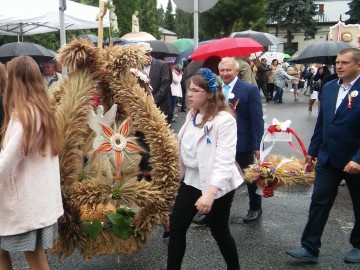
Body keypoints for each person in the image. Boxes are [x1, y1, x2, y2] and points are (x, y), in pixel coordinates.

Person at [286, 48, 360, 264]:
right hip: (328, 158)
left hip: (354, 160)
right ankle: (309, 248)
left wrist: (358, 159)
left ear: (358, 65)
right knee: (319, 201)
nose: (339, 66)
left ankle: (358, 245)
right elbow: (323, 123)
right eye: (338, 62)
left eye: (345, 63)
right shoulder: (328, 88)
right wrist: (313, 150)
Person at [167, 68, 242, 270]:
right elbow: (185, 148)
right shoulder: (193, 114)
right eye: (189, 89)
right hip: (192, 180)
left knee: (219, 230)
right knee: (176, 227)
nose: (189, 94)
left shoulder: (224, 121)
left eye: (195, 90)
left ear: (210, 94)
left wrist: (210, 193)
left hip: (217, 185)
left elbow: (224, 160)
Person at [0, 56, 64, 270]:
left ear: (15, 81)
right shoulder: (40, 111)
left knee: (35, 260)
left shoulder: (25, 116)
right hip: (36, 201)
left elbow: (6, 162)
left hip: (26, 204)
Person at [219, 57, 264, 222]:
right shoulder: (214, 89)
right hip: (219, 141)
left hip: (241, 141)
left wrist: (257, 145)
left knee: (249, 175)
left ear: (237, 71)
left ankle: (255, 206)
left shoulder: (249, 90)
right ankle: (213, 212)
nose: (225, 73)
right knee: (217, 174)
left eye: (228, 70)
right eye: (222, 70)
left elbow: (257, 119)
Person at [137, 42, 172, 124]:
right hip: (144, 109)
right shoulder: (137, 68)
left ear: (148, 54)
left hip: (161, 107)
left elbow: (165, 86)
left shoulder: (162, 65)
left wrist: (152, 101)